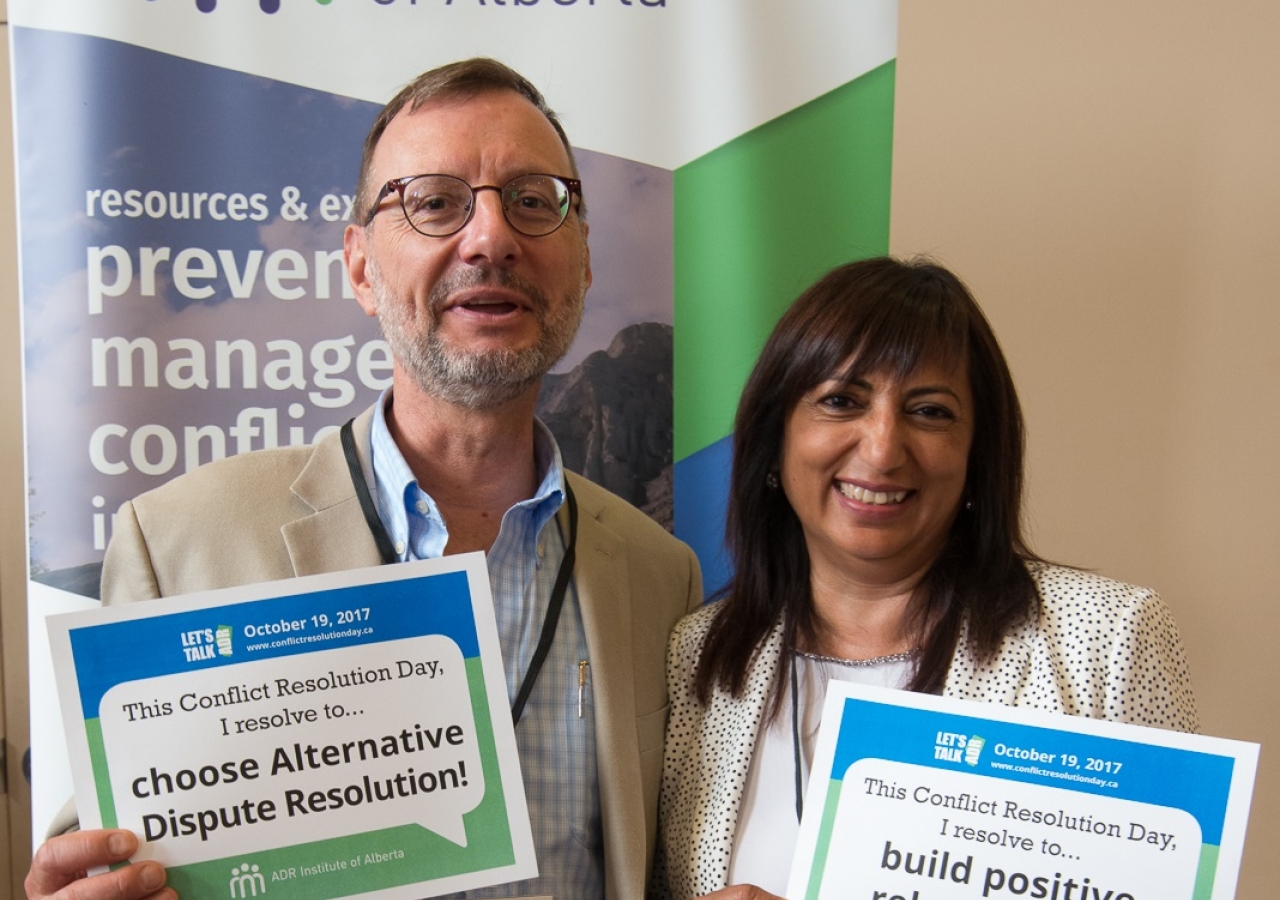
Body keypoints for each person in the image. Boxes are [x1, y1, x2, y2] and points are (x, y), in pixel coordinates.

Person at [26, 58, 702, 900]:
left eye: (533, 200)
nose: (491, 238)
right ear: (358, 268)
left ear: (584, 258)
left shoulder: (659, 572)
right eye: (433, 202)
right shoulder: (176, 545)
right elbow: (111, 845)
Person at [649, 257, 1197, 900]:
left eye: (930, 411)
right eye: (841, 401)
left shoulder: (1108, 641)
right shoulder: (700, 657)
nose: (882, 449)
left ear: (976, 455)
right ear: (774, 442)